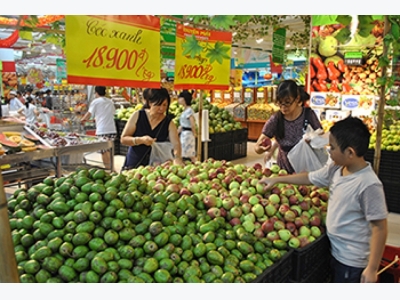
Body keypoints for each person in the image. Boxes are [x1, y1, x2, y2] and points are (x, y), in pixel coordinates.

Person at [260, 117, 388, 283]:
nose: (329, 151)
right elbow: (310, 178)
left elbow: (380, 227)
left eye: (332, 148)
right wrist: (277, 179)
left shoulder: (369, 185)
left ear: (349, 152)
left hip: (352, 260)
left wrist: (372, 268)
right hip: (334, 250)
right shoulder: (336, 169)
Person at [254, 80, 322, 174]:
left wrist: (312, 139)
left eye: (287, 102)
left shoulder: (308, 115)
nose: (283, 107)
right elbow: (257, 147)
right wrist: (262, 149)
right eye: (280, 103)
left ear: (297, 99)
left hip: (306, 167)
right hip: (284, 169)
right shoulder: (276, 119)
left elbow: (321, 134)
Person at [120, 88, 183, 169]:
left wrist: (177, 158)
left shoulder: (169, 123)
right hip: (134, 163)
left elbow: (176, 144)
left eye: (164, 105)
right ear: (150, 103)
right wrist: (140, 140)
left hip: (156, 167)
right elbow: (123, 139)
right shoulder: (138, 115)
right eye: (158, 105)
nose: (162, 109)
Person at [80, 86, 117, 171]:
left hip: (102, 130)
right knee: (109, 150)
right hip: (112, 129)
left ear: (96, 93)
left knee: (104, 150)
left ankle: (108, 169)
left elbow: (89, 113)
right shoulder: (110, 102)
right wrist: (96, 119)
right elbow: (111, 113)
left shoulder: (95, 102)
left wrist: (83, 120)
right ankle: (112, 168)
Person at [177, 90, 197, 163]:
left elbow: (192, 122)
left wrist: (194, 133)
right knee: (185, 152)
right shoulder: (185, 110)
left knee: (190, 153)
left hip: (188, 134)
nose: (178, 99)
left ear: (184, 99)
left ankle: (197, 165)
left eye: (180, 97)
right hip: (184, 134)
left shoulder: (189, 110)